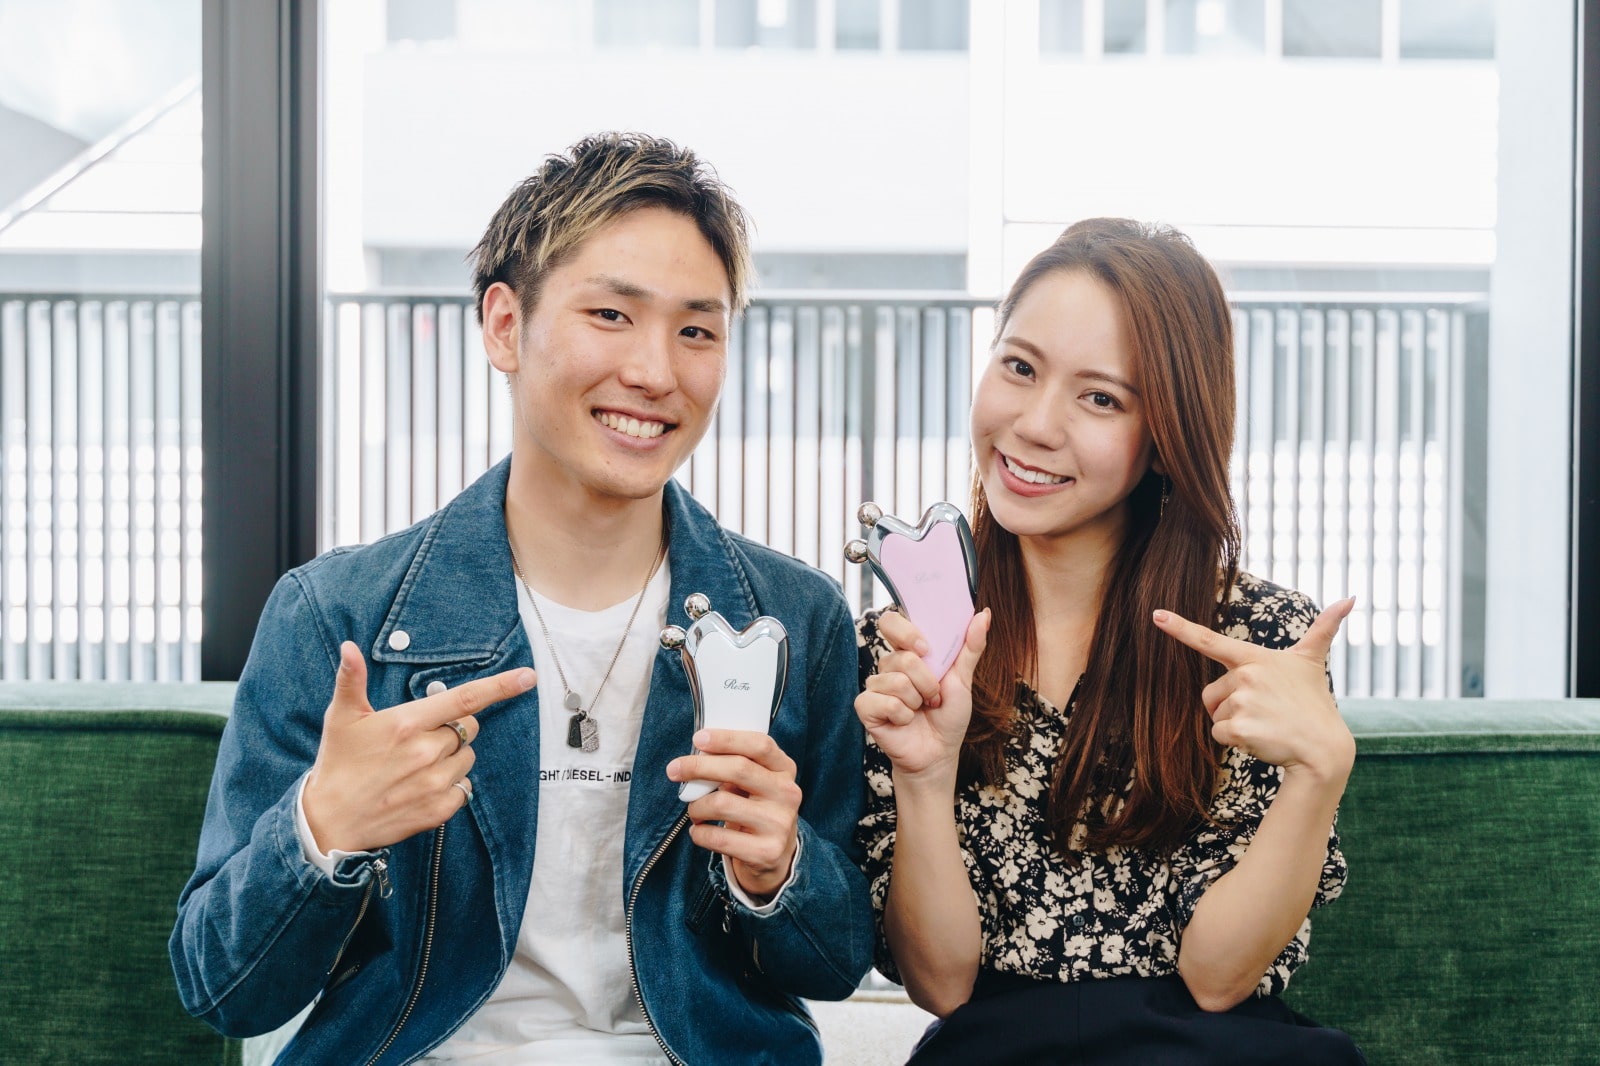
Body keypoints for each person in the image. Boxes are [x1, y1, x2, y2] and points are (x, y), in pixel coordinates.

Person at [171, 132, 873, 1065]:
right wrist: (324, 827)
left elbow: (835, 963)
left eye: (696, 331)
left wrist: (780, 871)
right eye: (612, 315)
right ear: (505, 326)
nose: (656, 372)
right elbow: (223, 987)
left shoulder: (792, 621)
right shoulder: (335, 617)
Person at [854, 219, 1367, 1064]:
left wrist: (1320, 773)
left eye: (1100, 398)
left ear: (1166, 437)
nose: (1035, 424)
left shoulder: (1258, 642)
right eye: (1019, 368)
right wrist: (924, 776)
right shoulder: (907, 644)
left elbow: (1217, 980)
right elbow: (941, 984)